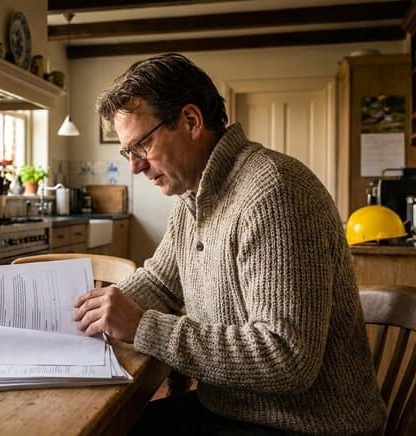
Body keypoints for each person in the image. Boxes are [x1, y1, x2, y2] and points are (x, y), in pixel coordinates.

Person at [73, 53, 386, 435]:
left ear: (190, 121)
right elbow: (157, 283)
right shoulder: (194, 200)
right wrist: (87, 311)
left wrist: (142, 326)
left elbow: (285, 357)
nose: (135, 166)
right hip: (235, 409)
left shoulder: (274, 192)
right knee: (114, 427)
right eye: (129, 152)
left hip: (308, 424)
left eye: (141, 146)